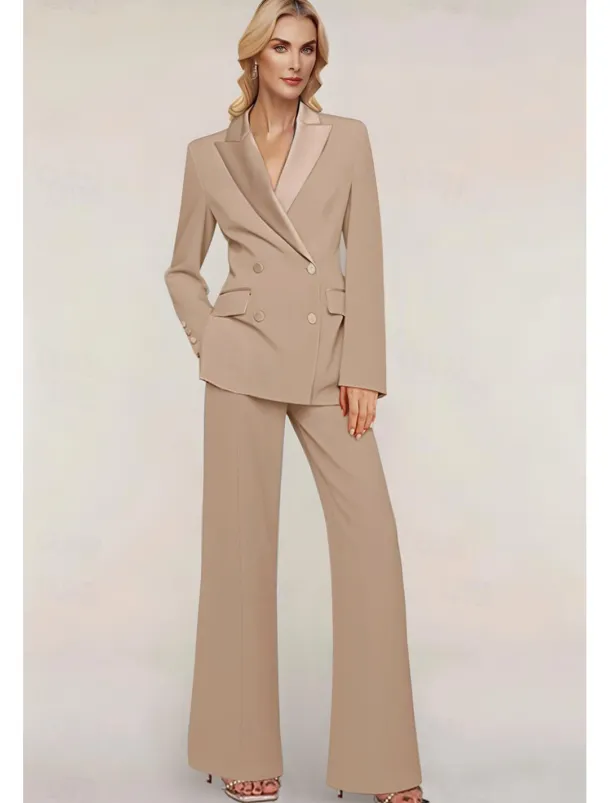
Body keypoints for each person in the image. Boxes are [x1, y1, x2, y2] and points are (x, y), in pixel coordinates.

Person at [164, 2, 430, 802]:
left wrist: (365, 368)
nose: (294, 61)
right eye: (280, 46)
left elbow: (366, 252)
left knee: (371, 545)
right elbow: (182, 268)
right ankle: (240, 746)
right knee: (239, 553)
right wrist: (210, 338)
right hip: (242, 361)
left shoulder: (346, 139)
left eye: (307, 49)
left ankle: (382, 765)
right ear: (254, 55)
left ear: (318, 60)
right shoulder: (208, 155)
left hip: (328, 362)